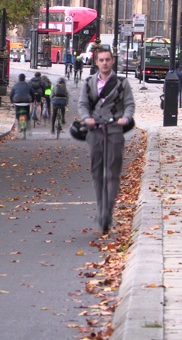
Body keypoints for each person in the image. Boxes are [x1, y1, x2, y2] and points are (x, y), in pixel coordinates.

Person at [78, 48, 135, 232]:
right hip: (94, 130)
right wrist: (86, 118)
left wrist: (125, 117)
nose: (104, 63)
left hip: (114, 130)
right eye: (101, 60)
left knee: (112, 172)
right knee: (97, 172)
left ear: (112, 61)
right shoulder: (88, 83)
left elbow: (129, 104)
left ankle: (107, 212)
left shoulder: (122, 83)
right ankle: (101, 208)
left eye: (107, 60)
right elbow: (83, 104)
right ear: (96, 62)